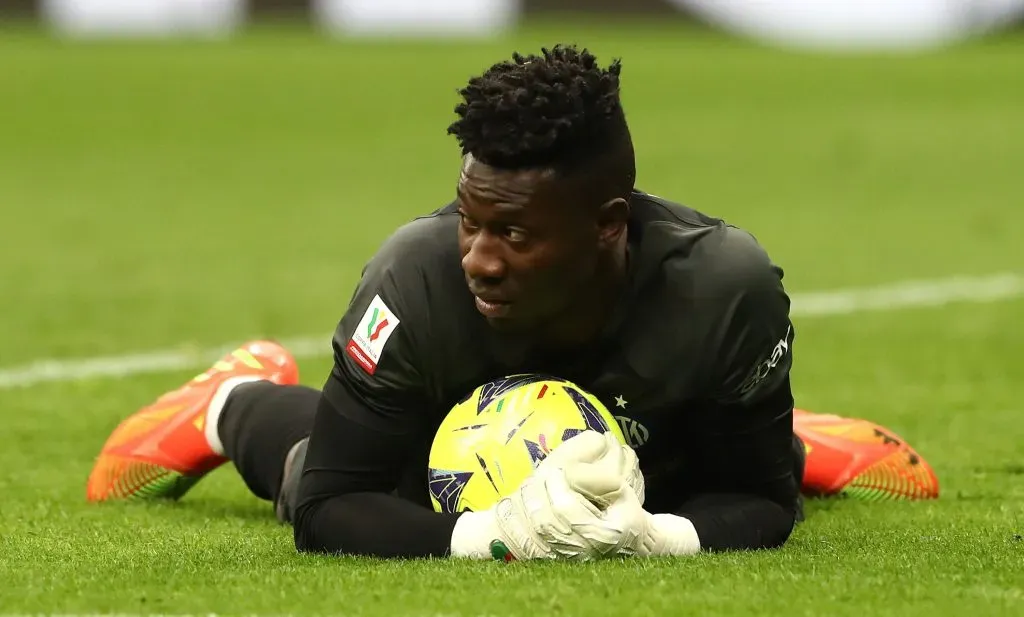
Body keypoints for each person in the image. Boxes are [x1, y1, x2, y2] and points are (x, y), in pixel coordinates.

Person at [85, 44, 937, 561]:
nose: (479, 259)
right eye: (469, 219)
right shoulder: (413, 283)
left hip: (662, 439)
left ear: (608, 227)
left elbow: (759, 503)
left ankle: (778, 425)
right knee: (328, 466)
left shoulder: (723, 292)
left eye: (516, 236)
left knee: (718, 470)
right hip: (438, 459)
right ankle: (229, 400)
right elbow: (326, 509)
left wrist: (658, 538)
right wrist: (492, 538)